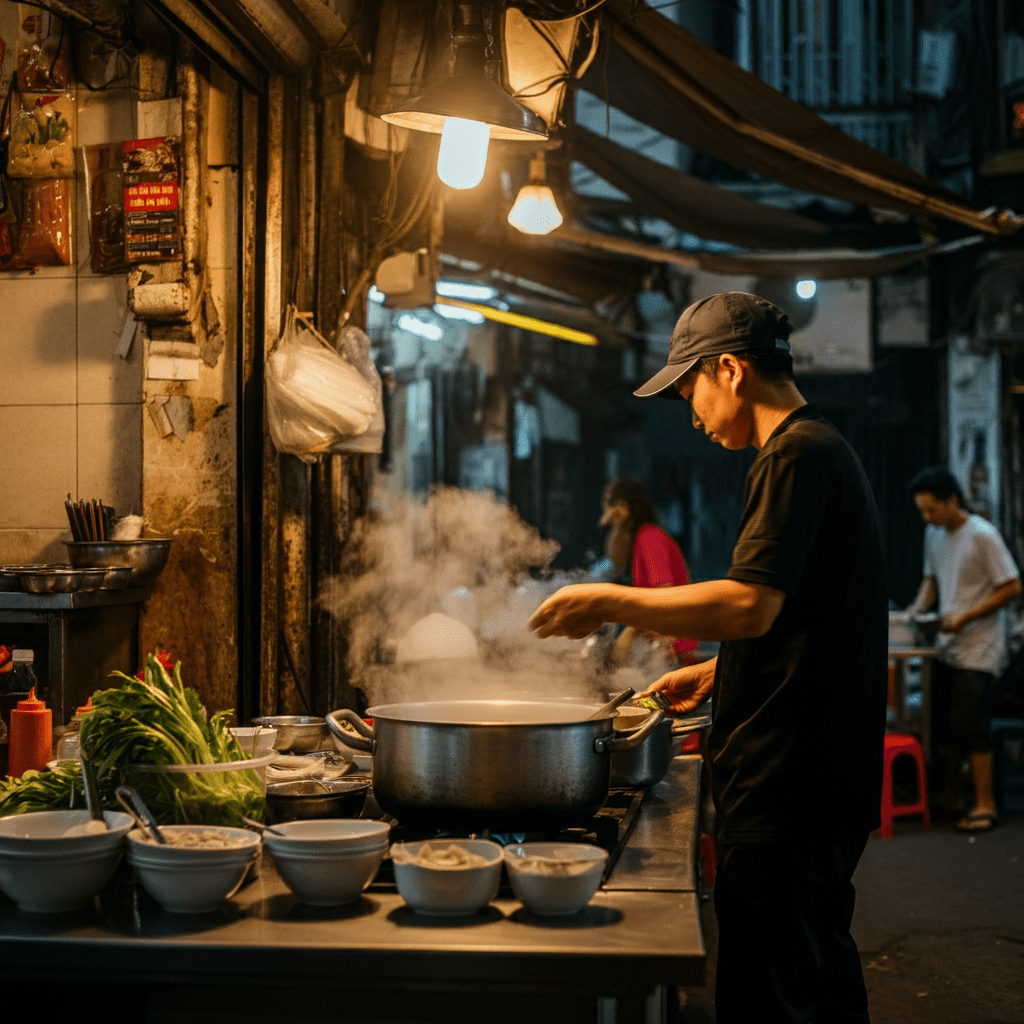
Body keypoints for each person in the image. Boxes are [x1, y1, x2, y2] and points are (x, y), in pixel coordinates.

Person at [529, 291, 888, 1024]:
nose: (690, 412)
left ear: (729, 370)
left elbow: (750, 604)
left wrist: (608, 599)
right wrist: (720, 670)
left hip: (788, 782)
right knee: (817, 973)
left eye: (690, 388)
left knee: (775, 996)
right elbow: (804, 622)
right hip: (818, 777)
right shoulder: (820, 451)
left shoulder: (792, 456)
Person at [905, 466, 1021, 832]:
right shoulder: (933, 534)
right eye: (922, 510)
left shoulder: (983, 536)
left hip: (981, 648)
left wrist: (967, 616)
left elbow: (1012, 587)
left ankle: (985, 804)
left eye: (932, 509)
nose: (927, 517)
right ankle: (953, 798)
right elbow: (931, 581)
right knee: (944, 723)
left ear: (952, 500)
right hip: (947, 644)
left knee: (972, 724)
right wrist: (916, 611)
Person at [598, 478, 698, 668]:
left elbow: (665, 594)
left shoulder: (650, 538)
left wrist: (631, 630)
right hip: (665, 650)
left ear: (623, 509)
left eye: (609, 508)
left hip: (675, 652)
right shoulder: (643, 539)